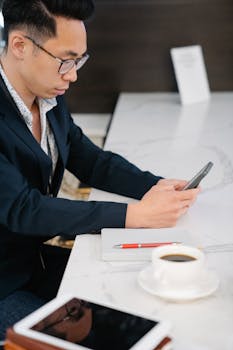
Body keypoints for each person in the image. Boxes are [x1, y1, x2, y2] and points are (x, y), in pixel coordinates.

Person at [0, 0, 199, 340]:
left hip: (33, 261)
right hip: (4, 283)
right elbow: (23, 209)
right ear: (19, 45)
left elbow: (87, 157)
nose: (73, 74)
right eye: (66, 60)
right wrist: (133, 215)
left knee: (138, 302)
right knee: (96, 339)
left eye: (79, 60)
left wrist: (155, 188)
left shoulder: (47, 92)